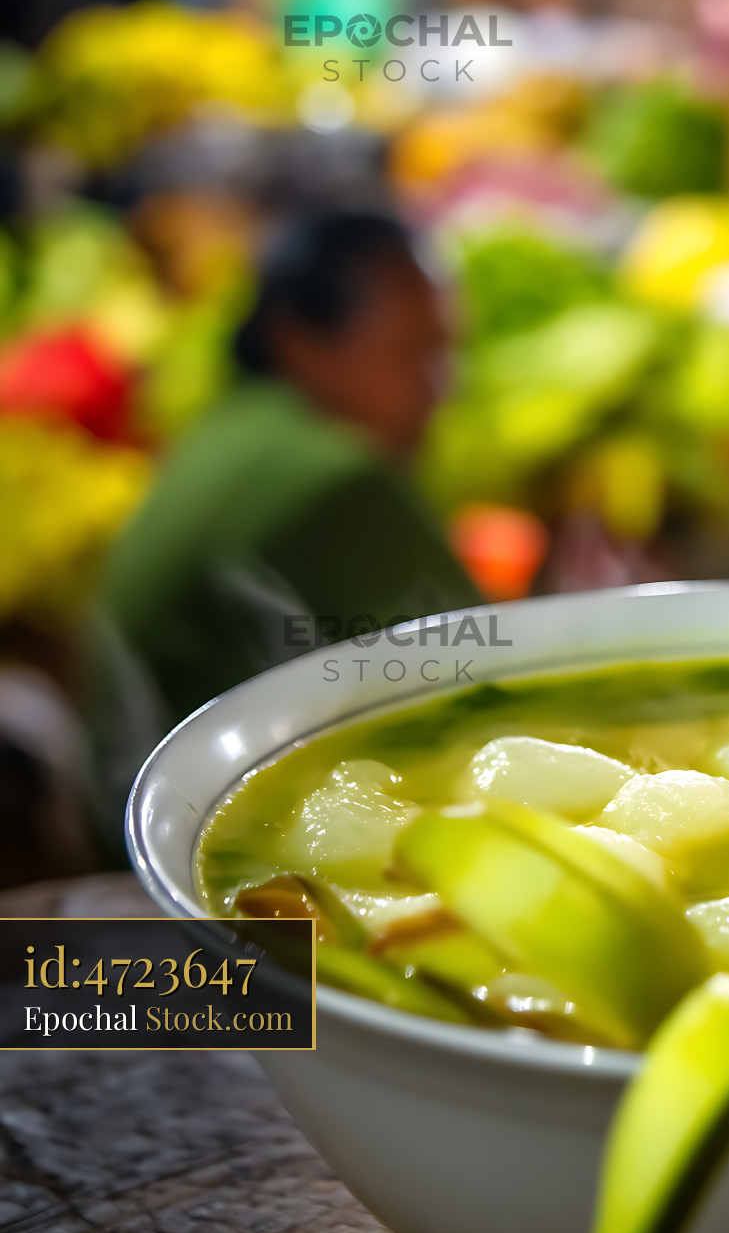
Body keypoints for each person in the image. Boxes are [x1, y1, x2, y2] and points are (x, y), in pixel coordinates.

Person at [86, 213, 478, 859]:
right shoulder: (337, 479)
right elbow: (484, 690)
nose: (441, 386)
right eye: (412, 351)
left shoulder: (231, 434)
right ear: (299, 342)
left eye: (445, 350)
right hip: (209, 860)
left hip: (129, 825)